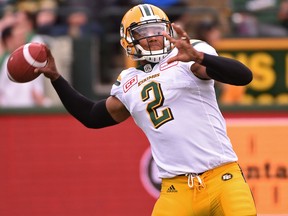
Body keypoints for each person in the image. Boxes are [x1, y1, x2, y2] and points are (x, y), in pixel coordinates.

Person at [36, 4, 257, 215]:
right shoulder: (128, 82)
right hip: (176, 189)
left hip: (222, 177)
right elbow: (92, 116)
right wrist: (56, 78)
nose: (153, 36)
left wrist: (200, 57)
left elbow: (243, 76)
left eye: (158, 30)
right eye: (144, 31)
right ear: (129, 39)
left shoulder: (188, 54)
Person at [0, 24, 49, 107]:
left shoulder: (31, 63)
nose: (23, 40)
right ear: (9, 40)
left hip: (29, 114)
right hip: (8, 114)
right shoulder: (4, 61)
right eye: (19, 37)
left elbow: (37, 93)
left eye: (23, 36)